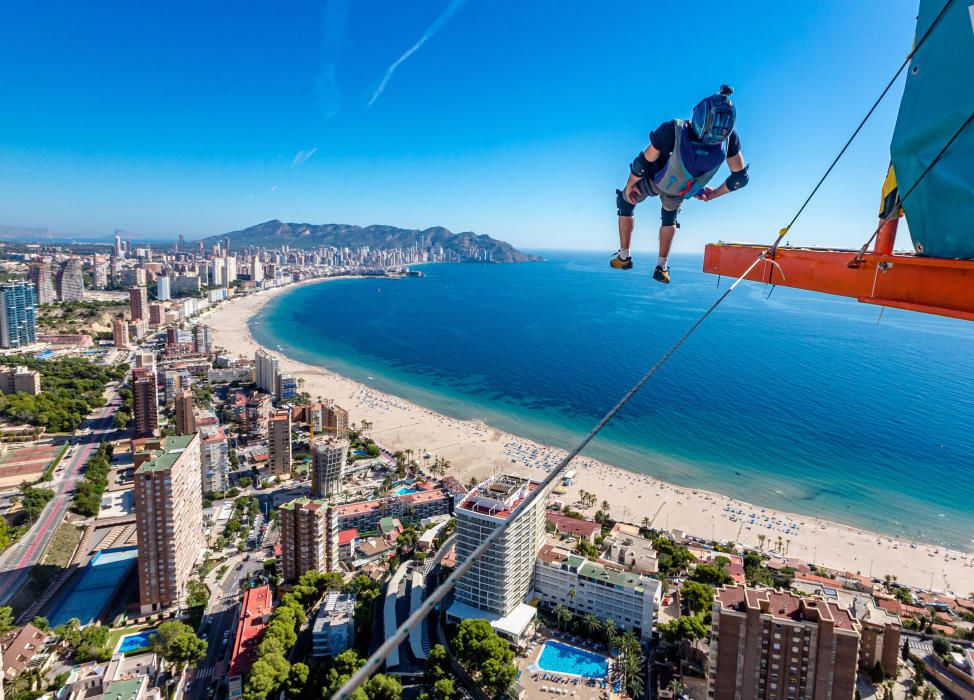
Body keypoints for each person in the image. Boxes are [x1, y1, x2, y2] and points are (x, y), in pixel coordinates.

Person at [612, 85, 750, 283]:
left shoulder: (673, 130)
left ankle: (624, 257)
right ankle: (662, 267)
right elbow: (739, 178)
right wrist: (713, 195)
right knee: (669, 218)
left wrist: (630, 184)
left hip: (655, 181)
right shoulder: (729, 141)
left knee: (625, 202)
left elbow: (642, 163)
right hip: (682, 190)